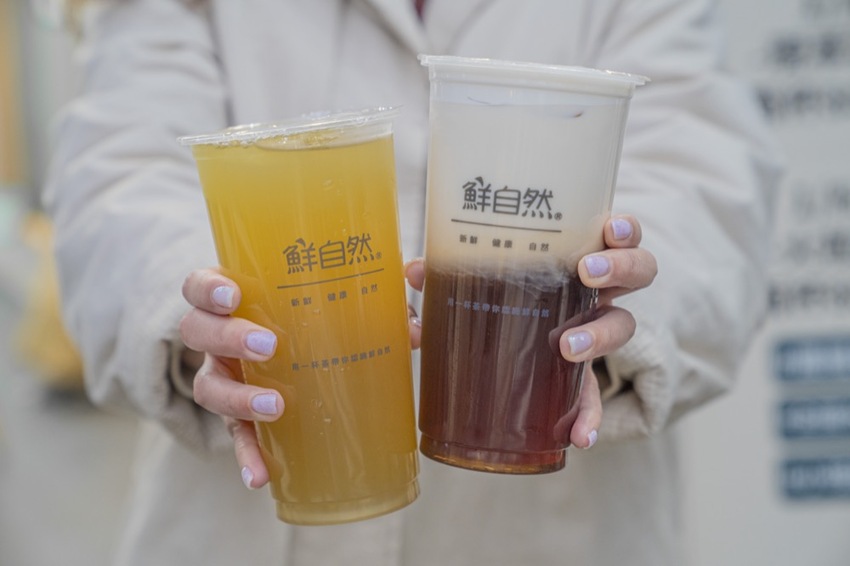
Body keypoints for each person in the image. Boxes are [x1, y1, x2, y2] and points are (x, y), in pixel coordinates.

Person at [44, 1, 780, 565]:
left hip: (552, 530)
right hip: (243, 525)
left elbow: (703, 176)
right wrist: (209, 314)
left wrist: (614, 307)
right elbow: (120, 168)